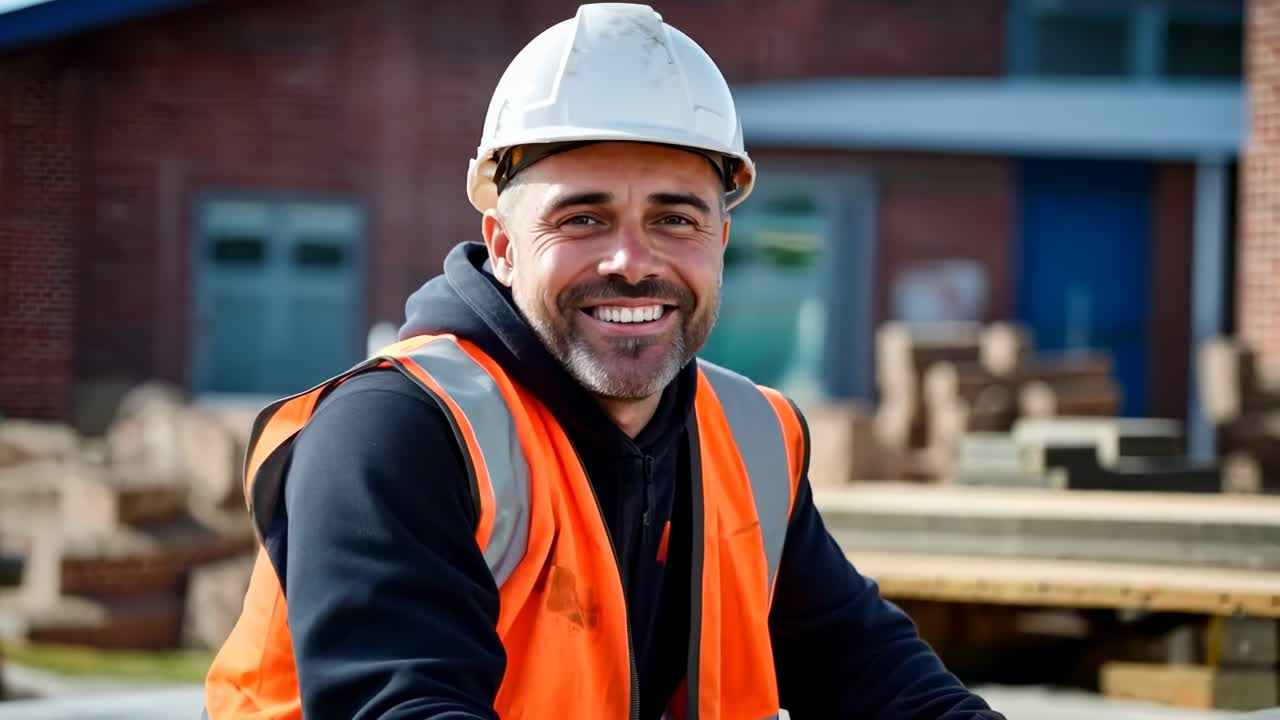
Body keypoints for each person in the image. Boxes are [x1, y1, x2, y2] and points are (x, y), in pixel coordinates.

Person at [204, 4, 1004, 718]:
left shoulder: (755, 440)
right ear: (506, 245)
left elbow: (871, 674)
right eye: (583, 218)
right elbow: (403, 703)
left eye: (675, 219)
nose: (632, 260)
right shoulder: (398, 432)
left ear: (720, 243)